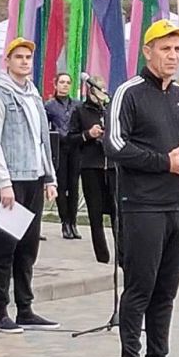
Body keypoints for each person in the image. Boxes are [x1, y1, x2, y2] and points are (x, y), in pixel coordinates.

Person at [104, 19, 179, 357]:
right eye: (165, 48)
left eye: (177, 49)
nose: (172, 56)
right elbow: (114, 145)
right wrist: (165, 163)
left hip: (178, 204)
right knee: (140, 289)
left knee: (166, 290)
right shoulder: (128, 93)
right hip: (141, 206)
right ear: (148, 52)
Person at [0, 38, 61, 333]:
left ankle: (25, 308)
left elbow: (42, 141)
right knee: (4, 248)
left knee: (28, 248)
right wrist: (4, 182)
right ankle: (0, 311)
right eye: (19, 57)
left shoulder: (34, 96)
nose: (25, 62)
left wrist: (49, 177)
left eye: (28, 57)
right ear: (7, 61)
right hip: (11, 181)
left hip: (34, 179)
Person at [67, 75, 116, 264]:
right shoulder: (80, 111)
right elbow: (70, 139)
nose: (100, 93)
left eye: (103, 89)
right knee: (95, 214)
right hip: (90, 166)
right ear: (90, 91)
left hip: (111, 166)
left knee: (117, 212)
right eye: (97, 89)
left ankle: (122, 255)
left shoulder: (110, 110)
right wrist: (88, 134)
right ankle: (102, 256)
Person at [45, 72, 81, 240]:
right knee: (62, 185)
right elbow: (45, 127)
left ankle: (73, 222)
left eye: (68, 82)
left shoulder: (77, 104)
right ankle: (64, 222)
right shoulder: (50, 106)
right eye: (62, 82)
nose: (65, 85)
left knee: (73, 187)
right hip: (59, 148)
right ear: (56, 84)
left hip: (75, 148)